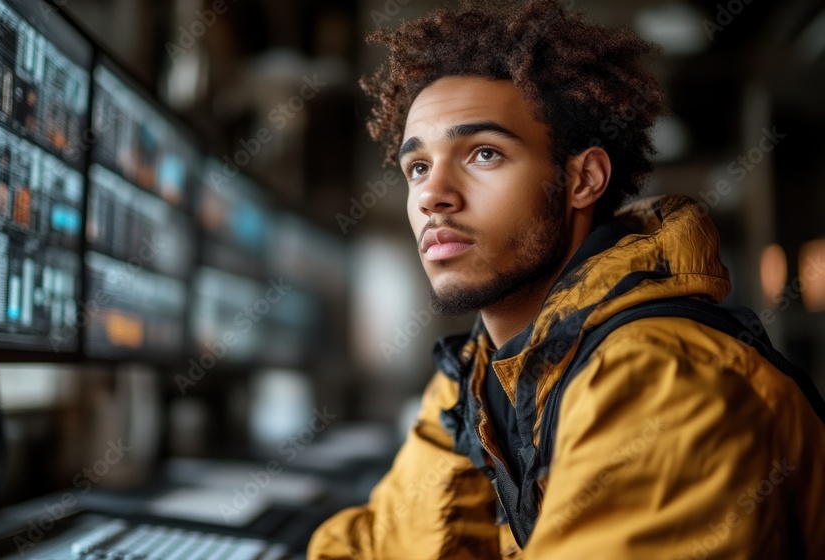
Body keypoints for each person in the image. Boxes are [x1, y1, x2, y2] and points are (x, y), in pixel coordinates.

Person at [308, 1, 825, 558]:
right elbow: (381, 545)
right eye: (418, 167)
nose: (433, 194)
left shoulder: (662, 380)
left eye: (483, 154)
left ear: (583, 180)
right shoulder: (473, 380)